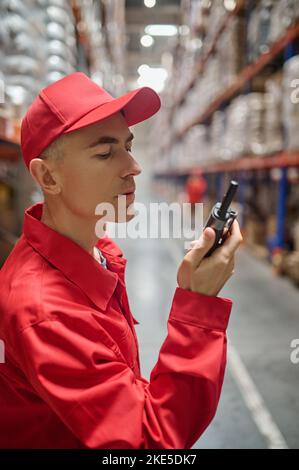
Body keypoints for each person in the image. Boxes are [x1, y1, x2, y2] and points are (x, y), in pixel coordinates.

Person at [0, 72, 243, 449]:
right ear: (47, 176)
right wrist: (199, 305)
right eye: (105, 152)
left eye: (128, 146)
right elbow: (147, 444)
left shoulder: (94, 252)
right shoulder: (46, 311)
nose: (133, 167)